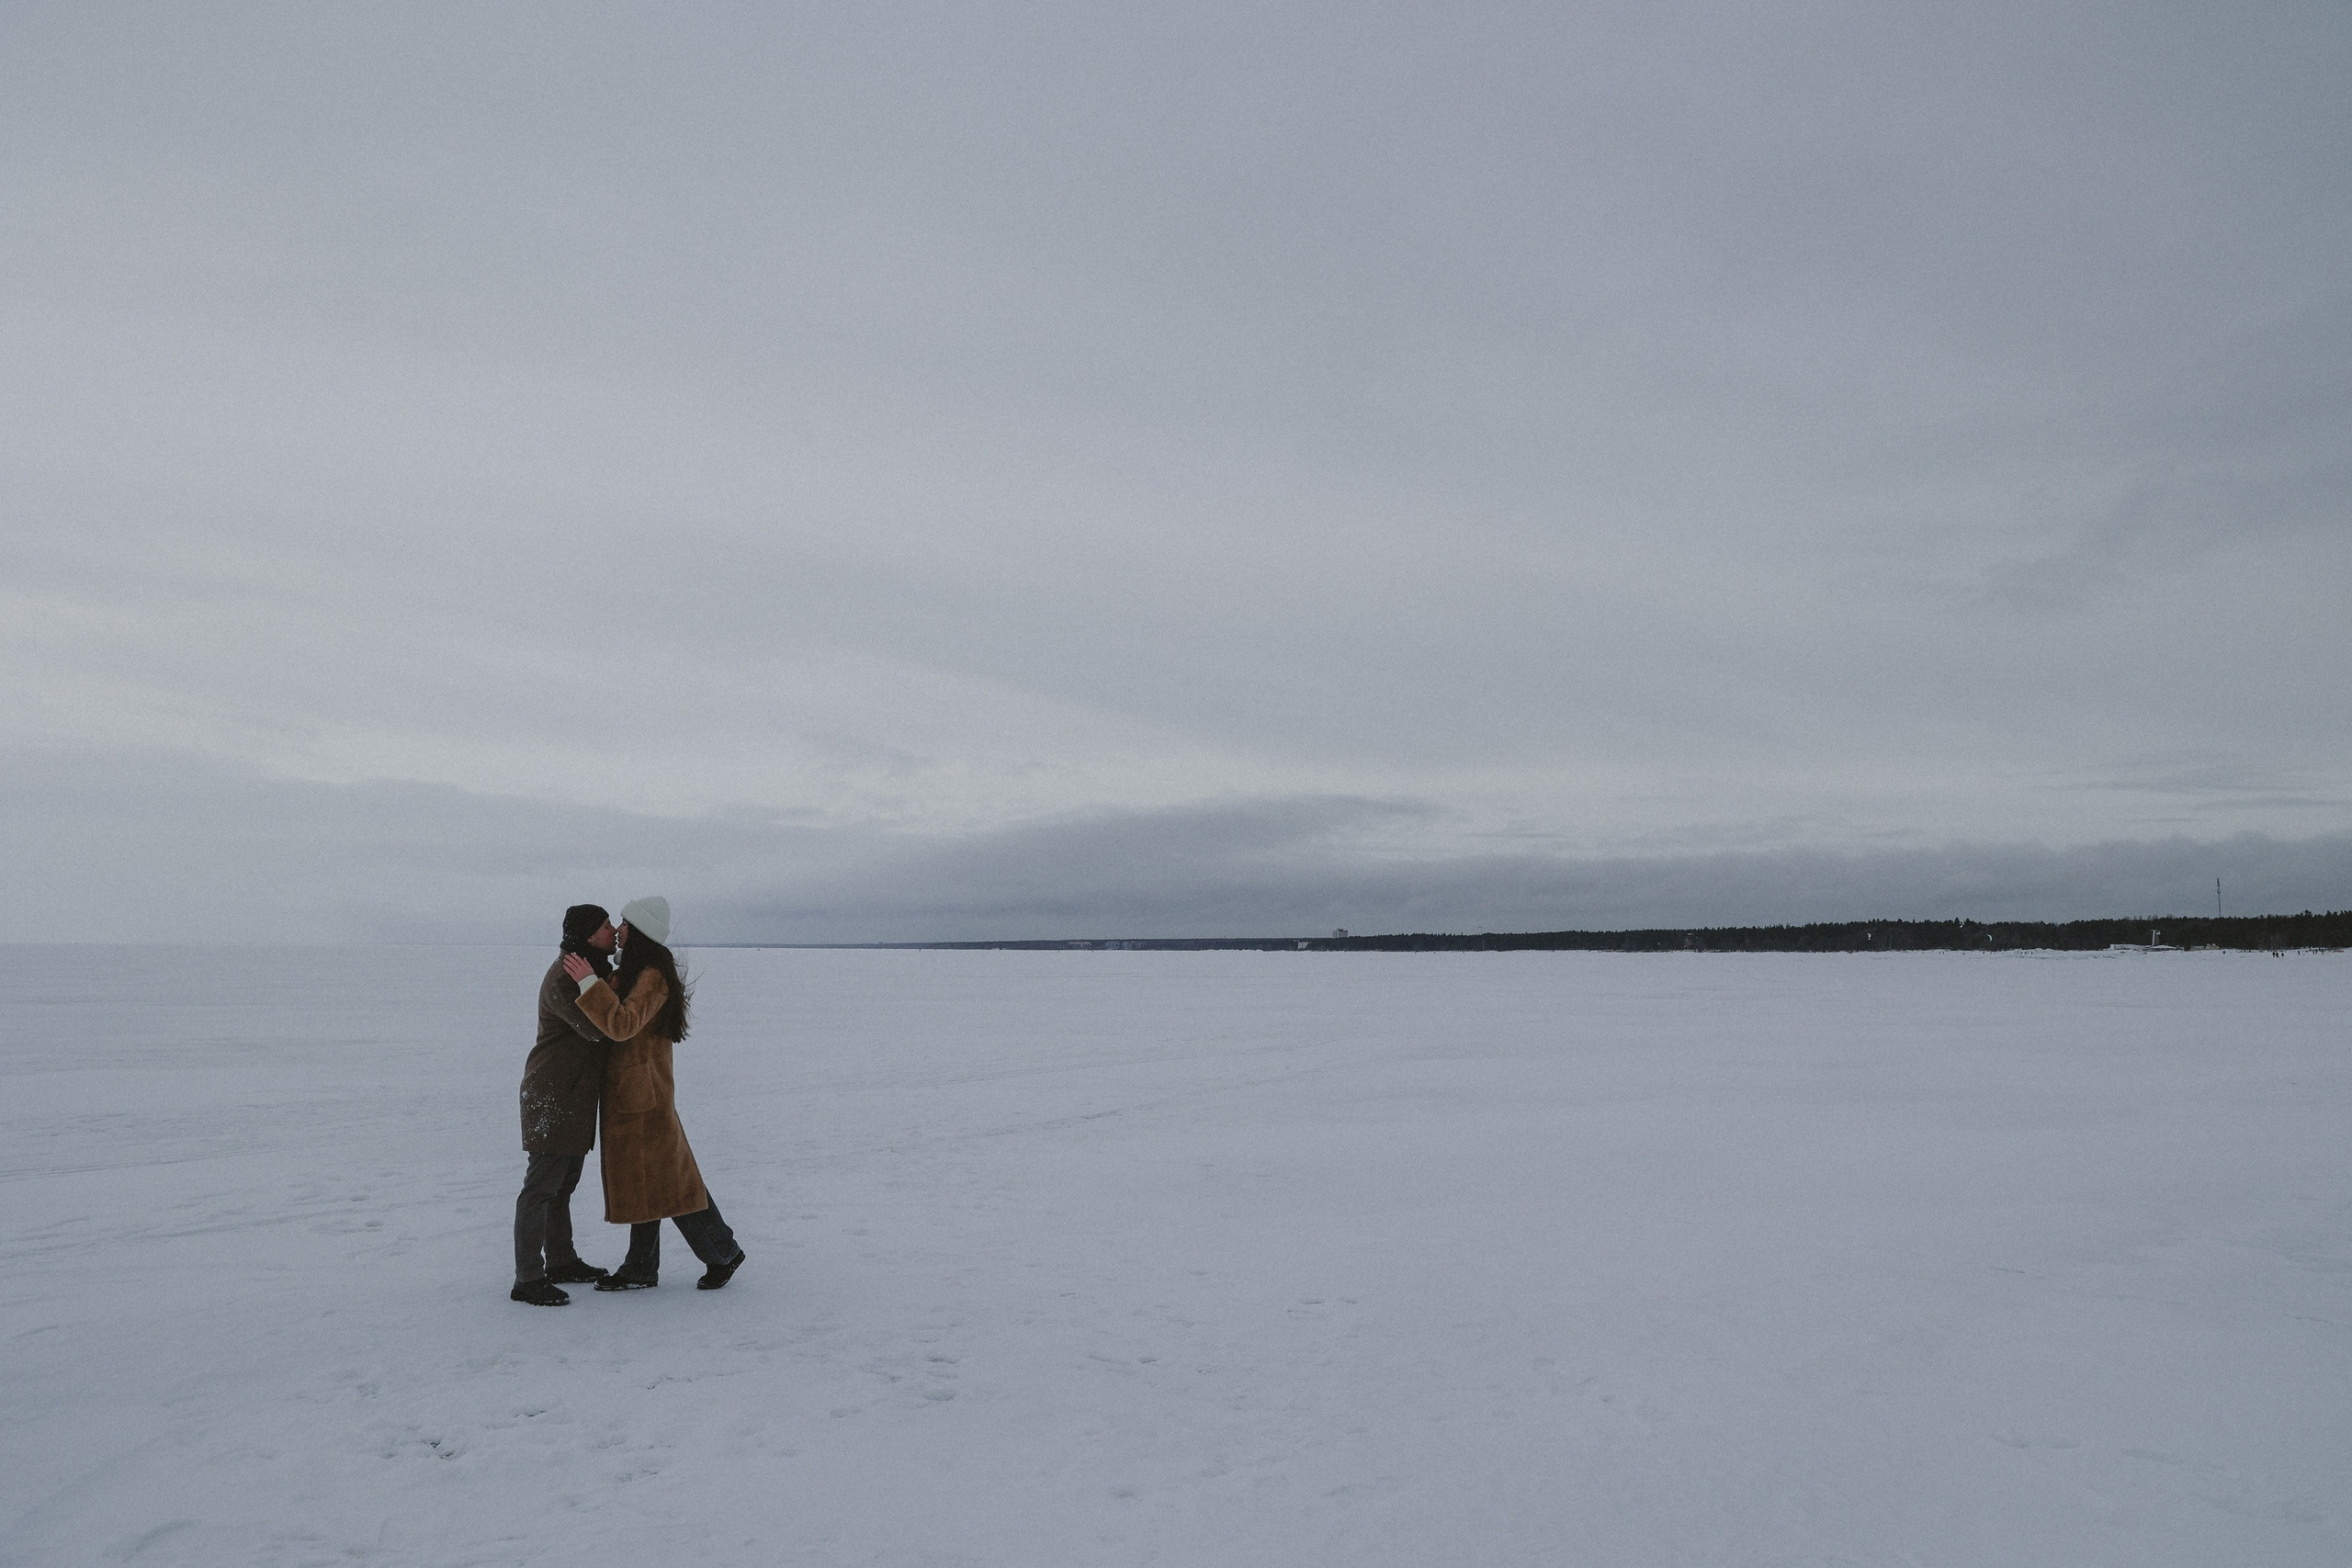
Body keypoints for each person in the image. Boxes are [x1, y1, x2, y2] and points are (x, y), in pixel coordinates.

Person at [560, 895, 746, 1292]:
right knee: (649, 1179)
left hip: (644, 1094)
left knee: (669, 1181)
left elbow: (624, 1024)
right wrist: (605, 982)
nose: (619, 929)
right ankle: (642, 1267)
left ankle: (722, 1252)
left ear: (639, 930)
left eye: (624, 923)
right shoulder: (638, 971)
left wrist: (588, 983)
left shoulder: (652, 976)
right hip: (636, 1091)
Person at [511, 903, 620, 1306]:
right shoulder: (565, 975)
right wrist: (602, 982)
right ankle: (528, 1278)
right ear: (589, 934)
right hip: (551, 1095)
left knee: (563, 1187)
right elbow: (596, 1029)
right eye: (606, 926)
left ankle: (560, 1261)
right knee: (540, 1188)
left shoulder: (585, 971)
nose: (612, 931)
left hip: (571, 1094)